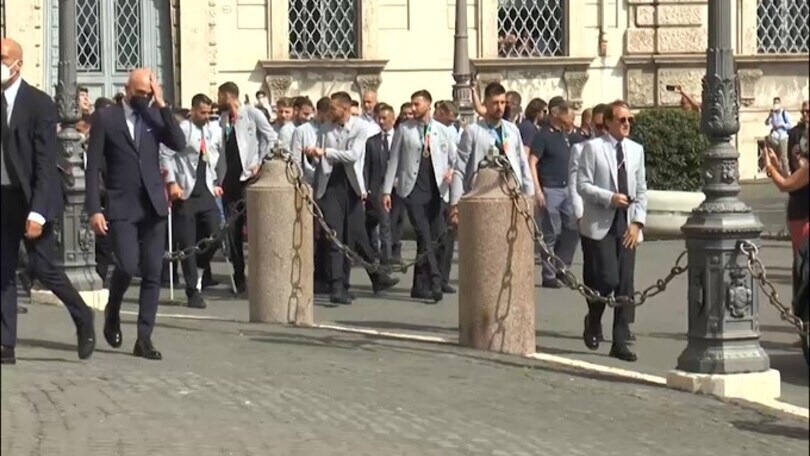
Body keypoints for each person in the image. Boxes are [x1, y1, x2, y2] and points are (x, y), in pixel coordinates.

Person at [1, 38, 96, 364]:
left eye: (2, 58)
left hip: (32, 196)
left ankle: (83, 316)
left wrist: (38, 213)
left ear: (18, 64)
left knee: (43, 267)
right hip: (3, 196)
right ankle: (6, 344)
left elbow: (44, 162)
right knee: (3, 270)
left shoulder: (38, 104)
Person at [85, 68, 187, 360]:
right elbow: (92, 167)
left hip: (154, 203)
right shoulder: (106, 118)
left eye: (148, 93)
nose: (144, 98)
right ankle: (113, 310)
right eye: (140, 93)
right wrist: (94, 208)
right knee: (128, 266)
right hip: (121, 205)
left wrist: (162, 104)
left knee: (153, 272)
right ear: (128, 89)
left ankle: (144, 338)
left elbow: (178, 143)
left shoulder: (154, 116)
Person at [577, 100, 647, 362]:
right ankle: (593, 319)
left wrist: (637, 222)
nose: (627, 124)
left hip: (626, 223)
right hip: (602, 223)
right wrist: (609, 198)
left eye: (629, 120)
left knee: (625, 285)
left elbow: (641, 190)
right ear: (608, 123)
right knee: (608, 279)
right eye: (621, 120)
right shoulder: (592, 149)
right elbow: (582, 185)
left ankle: (619, 340)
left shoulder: (636, 150)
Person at [382, 90, 457, 302]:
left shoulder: (442, 131)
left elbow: (455, 157)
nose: (413, 108)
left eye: (417, 104)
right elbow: (394, 160)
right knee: (423, 234)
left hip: (436, 189)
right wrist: (387, 190)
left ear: (428, 105)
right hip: (412, 189)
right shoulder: (404, 130)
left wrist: (451, 172)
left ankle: (419, 284)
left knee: (433, 236)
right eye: (412, 104)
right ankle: (435, 279)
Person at [161, 94, 223, 309]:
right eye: (202, 113)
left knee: (216, 233)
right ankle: (191, 290)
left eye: (209, 113)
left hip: (205, 189)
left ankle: (200, 269)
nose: (206, 117)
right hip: (185, 192)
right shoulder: (184, 129)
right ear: (193, 111)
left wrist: (215, 181)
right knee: (187, 244)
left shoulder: (210, 130)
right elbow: (165, 153)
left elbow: (212, 156)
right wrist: (171, 182)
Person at [215, 81, 276, 294]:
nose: (218, 100)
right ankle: (239, 275)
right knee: (232, 231)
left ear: (229, 96)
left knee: (255, 229)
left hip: (248, 179)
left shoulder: (251, 113)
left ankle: (262, 274)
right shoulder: (222, 120)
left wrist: (260, 161)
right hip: (228, 180)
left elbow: (271, 137)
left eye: (220, 96)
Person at [450, 82, 534, 225]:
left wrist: (529, 194)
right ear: (486, 104)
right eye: (495, 103)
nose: (499, 107)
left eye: (502, 102)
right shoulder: (473, 131)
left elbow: (522, 163)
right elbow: (460, 168)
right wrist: (455, 204)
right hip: (482, 193)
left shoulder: (512, 130)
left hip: (511, 191)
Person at [764, 128, 809, 253]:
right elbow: (791, 182)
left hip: (804, 219)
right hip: (800, 217)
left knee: (803, 263)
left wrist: (768, 166)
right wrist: (776, 167)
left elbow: (785, 185)